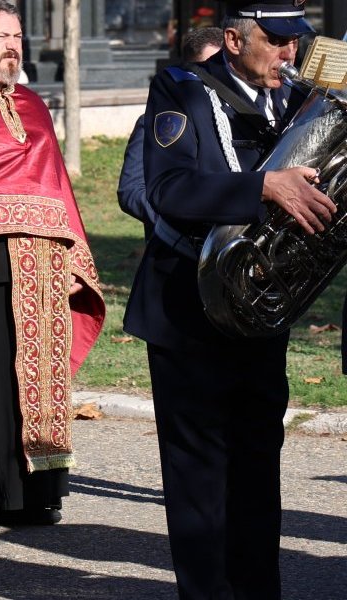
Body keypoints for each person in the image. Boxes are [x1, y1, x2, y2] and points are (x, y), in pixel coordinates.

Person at [123, 2, 335, 598]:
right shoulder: (181, 88)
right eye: (277, 42)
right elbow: (166, 188)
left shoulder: (294, 102)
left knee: (257, 472)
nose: (290, 54)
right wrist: (262, 186)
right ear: (236, 41)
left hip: (259, 312)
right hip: (187, 310)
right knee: (199, 485)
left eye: (296, 42)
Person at [0, 0, 105, 535]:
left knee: (37, 377)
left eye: (17, 38)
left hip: (44, 260)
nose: (13, 46)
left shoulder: (32, 103)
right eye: (2, 36)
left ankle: (36, 492)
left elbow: (52, 182)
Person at [119, 26, 224, 239]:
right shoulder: (154, 122)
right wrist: (179, 222)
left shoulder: (236, 119)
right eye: (208, 68)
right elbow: (131, 190)